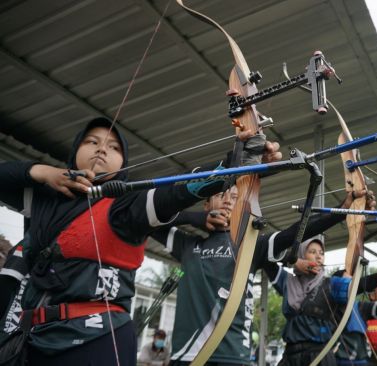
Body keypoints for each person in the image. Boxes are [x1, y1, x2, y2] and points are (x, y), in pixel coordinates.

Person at [0, 117, 279, 366]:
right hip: (33, 340)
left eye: (113, 147)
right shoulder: (45, 201)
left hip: (95, 340)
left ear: (123, 164)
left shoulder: (123, 206)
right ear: (76, 151)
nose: (101, 149)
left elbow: (176, 193)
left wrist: (236, 162)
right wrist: (42, 171)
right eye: (92, 141)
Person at [149, 185, 375, 365]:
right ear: (207, 203)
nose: (228, 200)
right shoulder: (186, 244)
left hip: (233, 354)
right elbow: (148, 217)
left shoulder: (252, 246)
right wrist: (195, 217)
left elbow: (294, 232)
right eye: (220, 194)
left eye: (236, 197)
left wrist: (342, 209)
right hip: (186, 355)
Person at [264, 238, 377, 366]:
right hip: (290, 356)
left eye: (321, 253)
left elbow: (360, 284)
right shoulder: (287, 282)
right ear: (301, 255)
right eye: (312, 252)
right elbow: (266, 255)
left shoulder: (332, 284)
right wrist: (293, 260)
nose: (319, 256)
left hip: (320, 357)